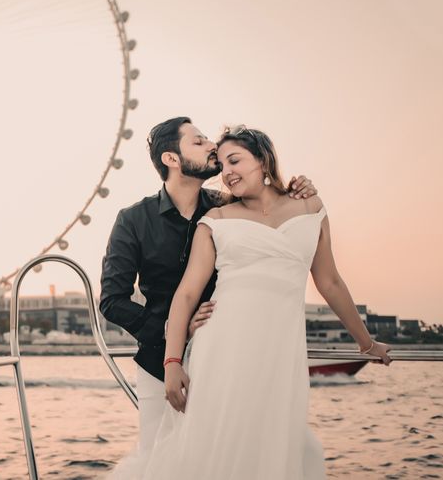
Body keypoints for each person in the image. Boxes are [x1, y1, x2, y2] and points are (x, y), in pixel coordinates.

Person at [137, 125, 392, 479]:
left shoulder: (311, 207)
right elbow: (187, 294)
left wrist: (366, 343)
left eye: (235, 160)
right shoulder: (217, 219)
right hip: (221, 350)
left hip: (280, 354)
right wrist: (173, 363)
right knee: (217, 446)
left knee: (270, 449)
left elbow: (330, 282)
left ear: (264, 160)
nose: (227, 173)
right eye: (221, 165)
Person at [99, 117, 317, 462]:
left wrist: (297, 187)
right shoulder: (133, 219)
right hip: (160, 363)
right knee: (160, 457)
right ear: (171, 159)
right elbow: (112, 301)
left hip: (231, 358)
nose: (212, 147)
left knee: (234, 456)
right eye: (198, 142)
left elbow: (273, 208)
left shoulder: (229, 208)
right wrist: (175, 332)